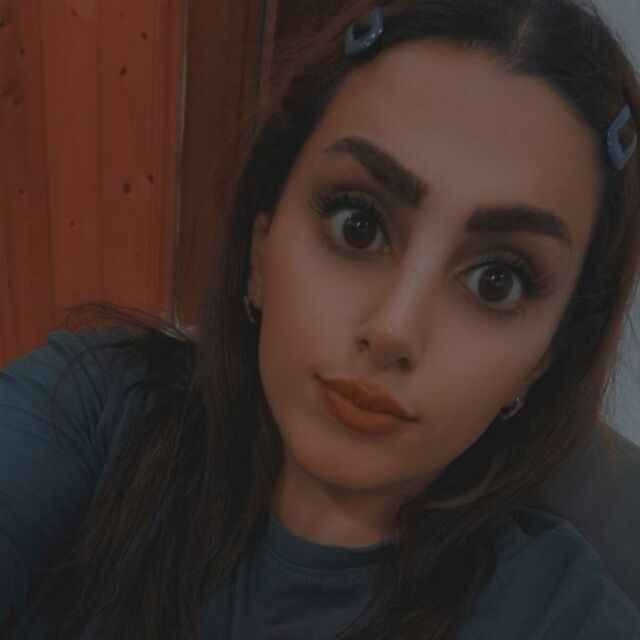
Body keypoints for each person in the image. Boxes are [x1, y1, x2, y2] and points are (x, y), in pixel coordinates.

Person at [1, 0, 640, 638]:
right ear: (261, 245)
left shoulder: (559, 614)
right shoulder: (91, 408)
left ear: (544, 359)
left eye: (496, 283)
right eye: (357, 225)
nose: (392, 330)